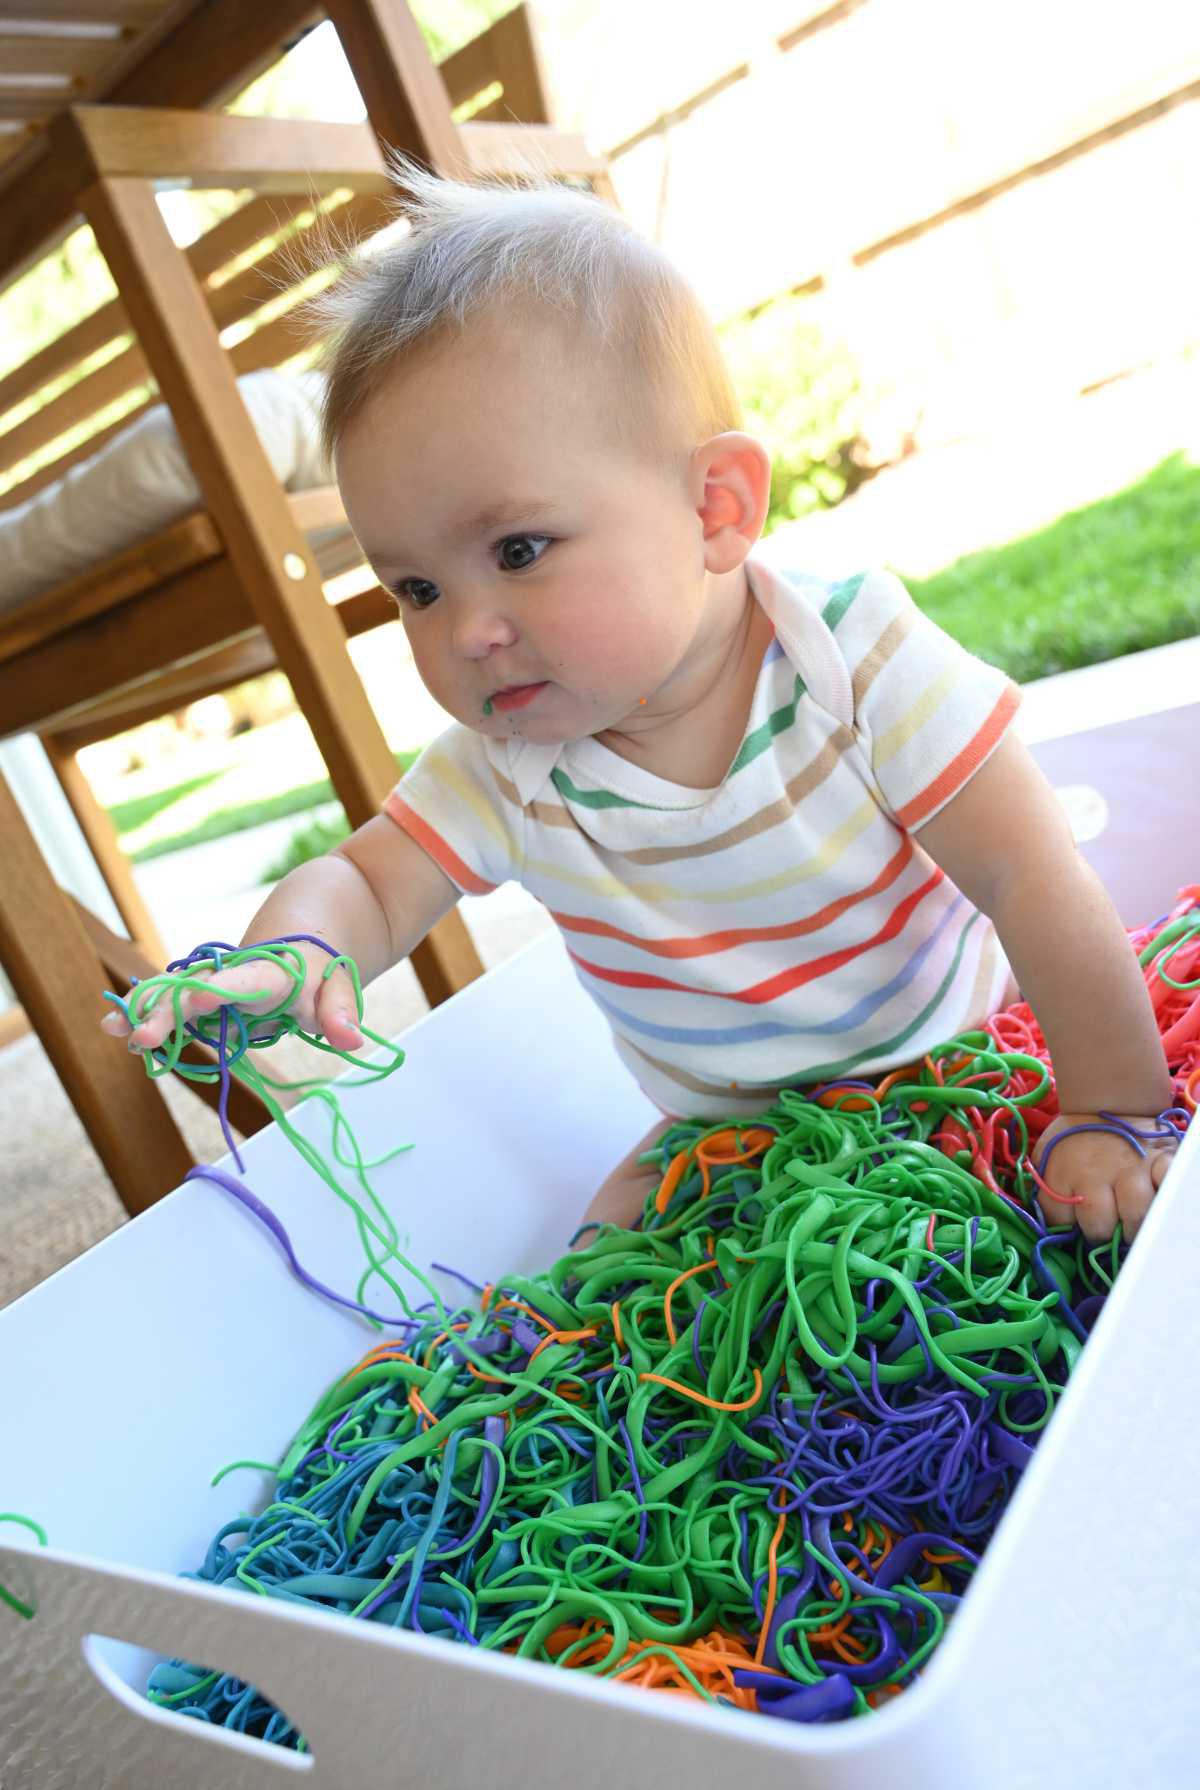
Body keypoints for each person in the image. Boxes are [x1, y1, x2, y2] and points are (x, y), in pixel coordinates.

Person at [102, 161, 1176, 1242]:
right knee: (598, 1278)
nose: (466, 629)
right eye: (415, 588)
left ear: (715, 507)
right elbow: (366, 886)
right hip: (740, 1136)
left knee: (1058, 1215)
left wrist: (1110, 1108)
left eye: (519, 549)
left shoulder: (850, 657)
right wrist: (296, 955)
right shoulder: (508, 760)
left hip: (961, 1052)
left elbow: (1030, 876)